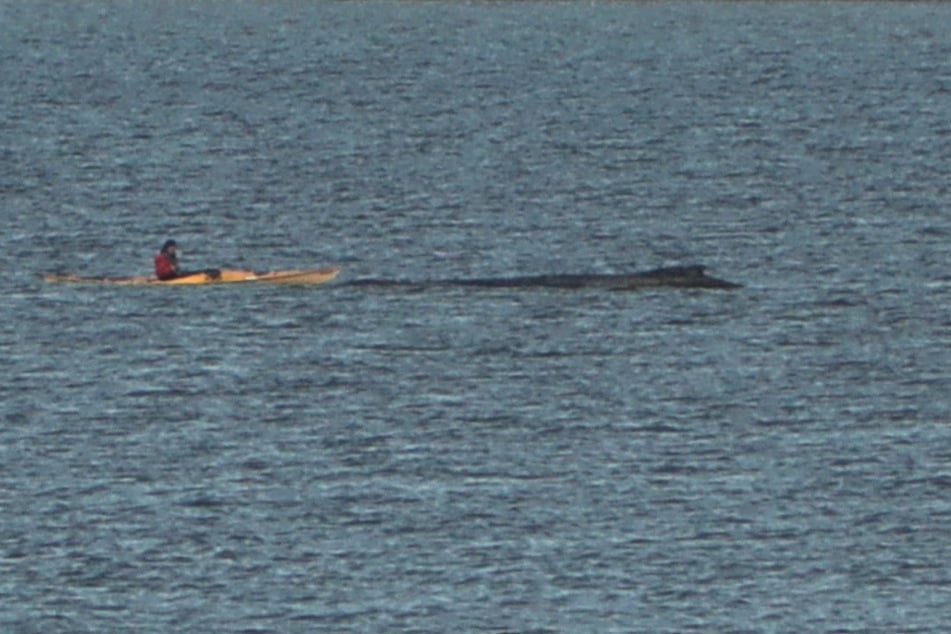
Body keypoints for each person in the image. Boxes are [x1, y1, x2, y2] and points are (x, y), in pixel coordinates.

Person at [154, 239, 220, 281]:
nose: (174, 249)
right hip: (167, 278)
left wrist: (175, 266)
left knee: (192, 272)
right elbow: (161, 272)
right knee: (192, 273)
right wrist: (171, 269)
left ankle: (210, 272)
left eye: (174, 247)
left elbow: (176, 267)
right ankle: (210, 274)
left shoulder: (172, 256)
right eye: (172, 247)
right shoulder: (161, 257)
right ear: (167, 247)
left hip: (173, 275)